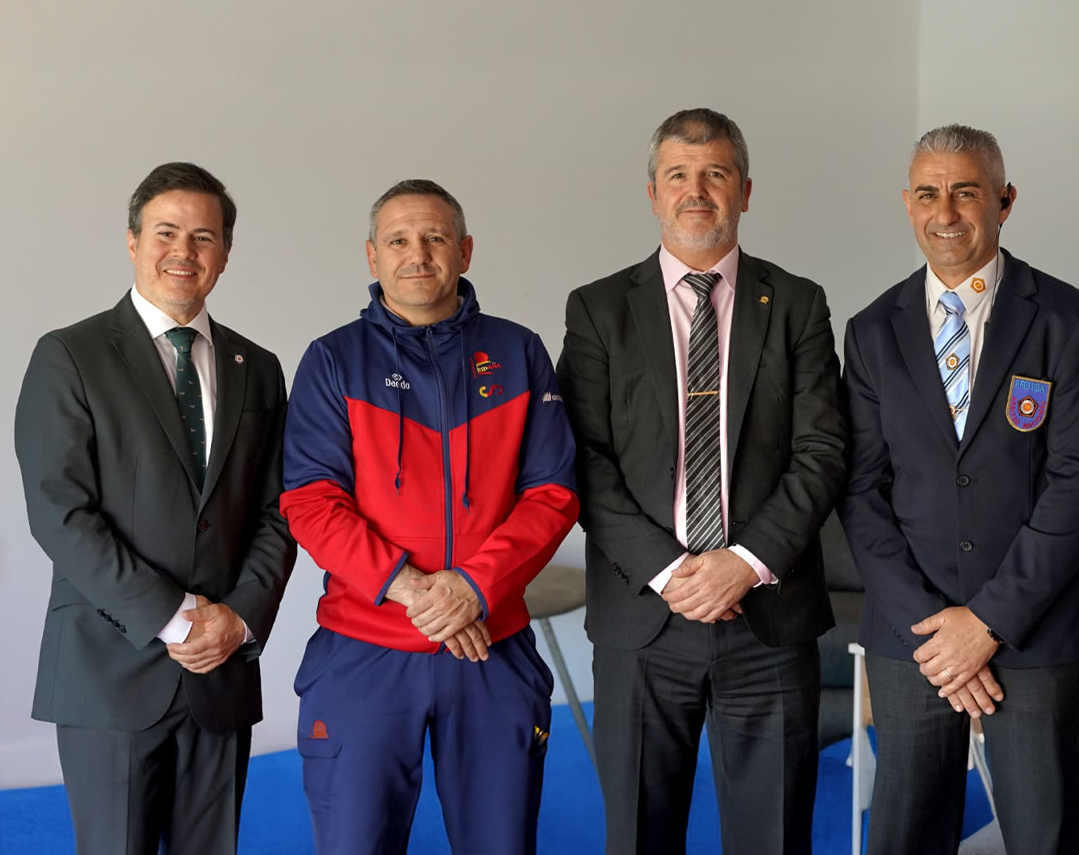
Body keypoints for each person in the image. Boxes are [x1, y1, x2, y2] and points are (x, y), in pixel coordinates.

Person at [557, 108, 846, 854]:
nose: (697, 191)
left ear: (745, 191)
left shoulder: (798, 303)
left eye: (715, 174)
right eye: (678, 175)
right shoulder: (598, 309)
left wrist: (743, 562)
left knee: (772, 836)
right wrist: (670, 571)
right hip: (643, 618)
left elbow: (822, 450)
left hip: (768, 615)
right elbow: (584, 457)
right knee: (638, 835)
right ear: (652, 192)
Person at [839, 123, 1079, 855]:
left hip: (1033, 627)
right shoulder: (871, 331)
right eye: (928, 194)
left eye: (966, 192)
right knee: (905, 830)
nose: (946, 212)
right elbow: (860, 490)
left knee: (1043, 833)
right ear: (907, 204)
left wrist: (987, 622)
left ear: (1005, 201)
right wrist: (936, 630)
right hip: (915, 635)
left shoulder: (1073, 320)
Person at [280, 179, 578, 854]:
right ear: (372, 255)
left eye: (435, 238)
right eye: (398, 240)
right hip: (365, 649)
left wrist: (473, 587)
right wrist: (418, 592)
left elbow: (553, 493)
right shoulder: (333, 360)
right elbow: (311, 500)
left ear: (464, 251)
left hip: (490, 644)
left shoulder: (518, 352)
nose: (417, 254)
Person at [14, 162, 297, 855]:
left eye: (204, 236)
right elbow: (60, 511)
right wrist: (173, 617)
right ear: (133, 241)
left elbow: (280, 509)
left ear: (225, 252)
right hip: (110, 668)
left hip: (222, 668)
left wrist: (237, 618)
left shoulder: (258, 367)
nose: (183, 251)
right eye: (166, 232)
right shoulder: (70, 355)